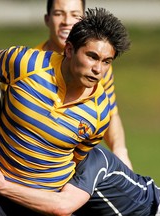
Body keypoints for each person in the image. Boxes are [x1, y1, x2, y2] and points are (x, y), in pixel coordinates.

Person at [0, 7, 131, 215]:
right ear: (69, 50)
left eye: (106, 62)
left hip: (42, 202)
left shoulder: (100, 112)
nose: (98, 69)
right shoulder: (27, 64)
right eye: (92, 57)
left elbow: (76, 163)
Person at [0, 146, 160, 216]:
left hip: (157, 211)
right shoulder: (40, 157)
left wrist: (2, 186)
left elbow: (62, 206)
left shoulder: (92, 160)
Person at [38, 0, 132, 169]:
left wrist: (120, 152)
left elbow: (110, 113)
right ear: (47, 19)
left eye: (75, 15)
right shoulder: (29, 65)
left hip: (75, 161)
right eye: (59, 13)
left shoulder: (97, 67)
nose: (67, 21)